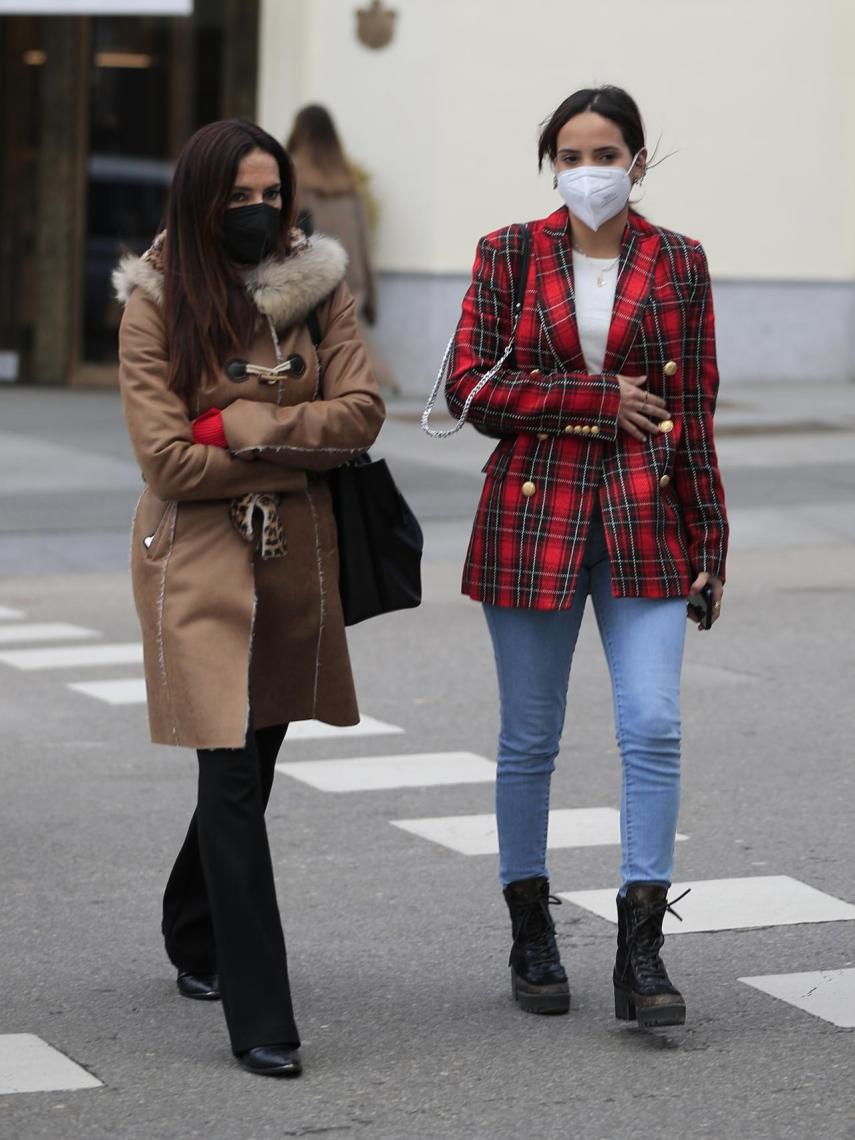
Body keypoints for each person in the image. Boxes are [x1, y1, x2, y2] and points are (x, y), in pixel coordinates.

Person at [442, 86, 728, 1027]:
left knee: (651, 725)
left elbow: (694, 414)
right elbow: (471, 385)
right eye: (570, 153)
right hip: (534, 517)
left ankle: (640, 951)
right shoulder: (508, 253)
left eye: (606, 151)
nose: (588, 169)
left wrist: (710, 541)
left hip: (646, 517)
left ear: (637, 161)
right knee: (530, 736)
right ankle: (530, 929)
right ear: (550, 162)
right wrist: (594, 401)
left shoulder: (678, 261)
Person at [113, 118, 384, 1076]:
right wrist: (279, 444)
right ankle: (260, 1014)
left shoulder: (317, 288)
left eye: (273, 196)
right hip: (195, 560)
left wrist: (236, 422)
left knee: (256, 758)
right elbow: (169, 462)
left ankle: (191, 926)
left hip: (294, 556)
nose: (260, 212)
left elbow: (360, 417)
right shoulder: (151, 304)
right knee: (228, 771)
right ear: (200, 202)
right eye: (240, 199)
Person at [286, 104, 398, 393]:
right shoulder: (349, 182)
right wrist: (371, 294)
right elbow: (363, 243)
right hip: (351, 277)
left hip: (310, 276)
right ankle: (378, 385)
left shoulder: (291, 179)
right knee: (351, 343)